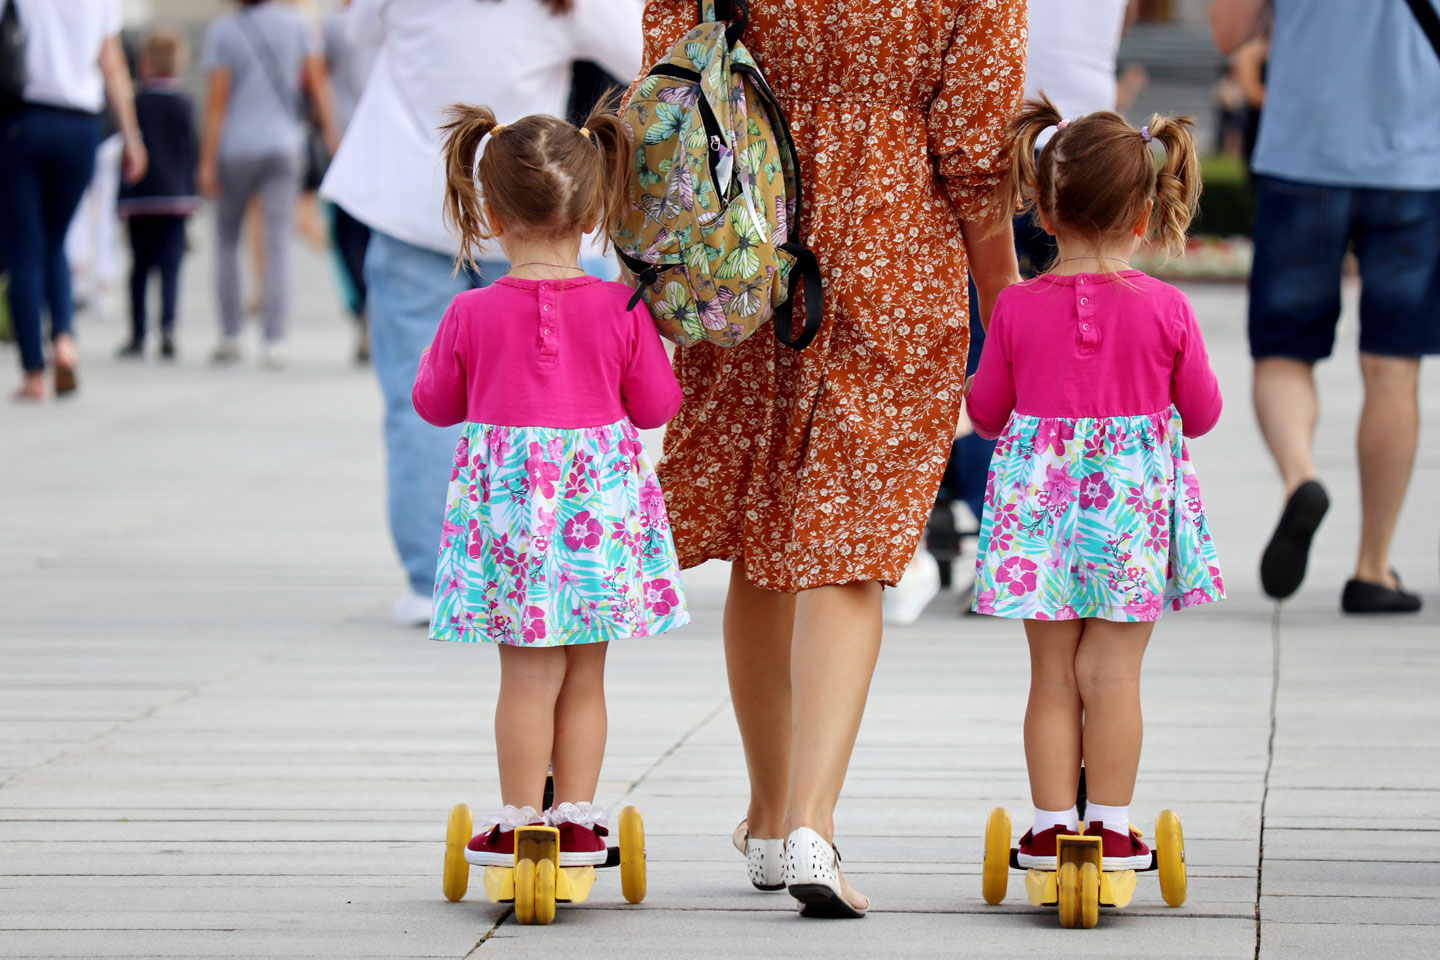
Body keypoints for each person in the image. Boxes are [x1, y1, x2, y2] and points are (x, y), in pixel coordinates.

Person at [641, 0, 1026, 916]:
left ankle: (770, 818)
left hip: (745, 230)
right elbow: (975, 148)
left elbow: (670, 69)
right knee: (847, 539)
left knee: (764, 526)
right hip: (897, 236)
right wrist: (1005, 297)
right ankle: (813, 820)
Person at [411, 99, 688, 866]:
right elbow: (657, 405)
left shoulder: (470, 313)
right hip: (595, 514)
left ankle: (513, 818)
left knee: (526, 679)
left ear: (490, 215)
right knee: (586, 674)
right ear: (594, 211)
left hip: (509, 520)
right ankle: (577, 816)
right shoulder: (621, 308)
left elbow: (432, 405)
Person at [320, 0, 642, 628]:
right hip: (527, 211)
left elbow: (356, 28)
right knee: (554, 396)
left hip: (409, 204)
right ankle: (550, 562)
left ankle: (427, 579)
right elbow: (640, 50)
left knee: (413, 401)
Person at [965, 95, 1223, 872]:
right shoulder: (1167, 309)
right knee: (1111, 674)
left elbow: (984, 414)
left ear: (1043, 211)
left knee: (1051, 676)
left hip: (1037, 520)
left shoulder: (1015, 309)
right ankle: (1109, 826)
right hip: (1130, 516)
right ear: (1145, 212)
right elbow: (1203, 413)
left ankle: (1048, 829)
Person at [1210, 0, 1440, 614]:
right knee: (1394, 366)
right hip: (1417, 162)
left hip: (1301, 156)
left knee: (1285, 351)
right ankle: (1372, 568)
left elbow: (1228, 29)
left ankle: (1300, 478)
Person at [0, 0, 146, 401]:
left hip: (23, 119)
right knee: (56, 238)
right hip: (81, 124)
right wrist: (131, 135)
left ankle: (33, 370)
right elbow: (112, 65)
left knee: (24, 248)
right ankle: (64, 337)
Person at [197, 0, 338, 369]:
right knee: (276, 243)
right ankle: (274, 337)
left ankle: (230, 333)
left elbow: (217, 100)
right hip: (284, 144)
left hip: (236, 147)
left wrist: (207, 160)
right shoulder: (296, 25)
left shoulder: (223, 30)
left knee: (227, 238)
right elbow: (317, 81)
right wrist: (332, 135)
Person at [116, 27, 200, 361]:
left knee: (138, 267)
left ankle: (137, 333)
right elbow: (192, 149)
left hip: (139, 198)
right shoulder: (184, 103)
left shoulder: (134, 103)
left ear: (145, 63)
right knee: (171, 267)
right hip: (175, 199)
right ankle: (167, 327)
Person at [320, 0, 375, 363]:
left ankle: (364, 307)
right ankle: (372, 310)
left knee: (346, 233)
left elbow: (314, 78)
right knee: (374, 232)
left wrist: (327, 131)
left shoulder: (333, 27)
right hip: (383, 139)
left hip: (344, 137)